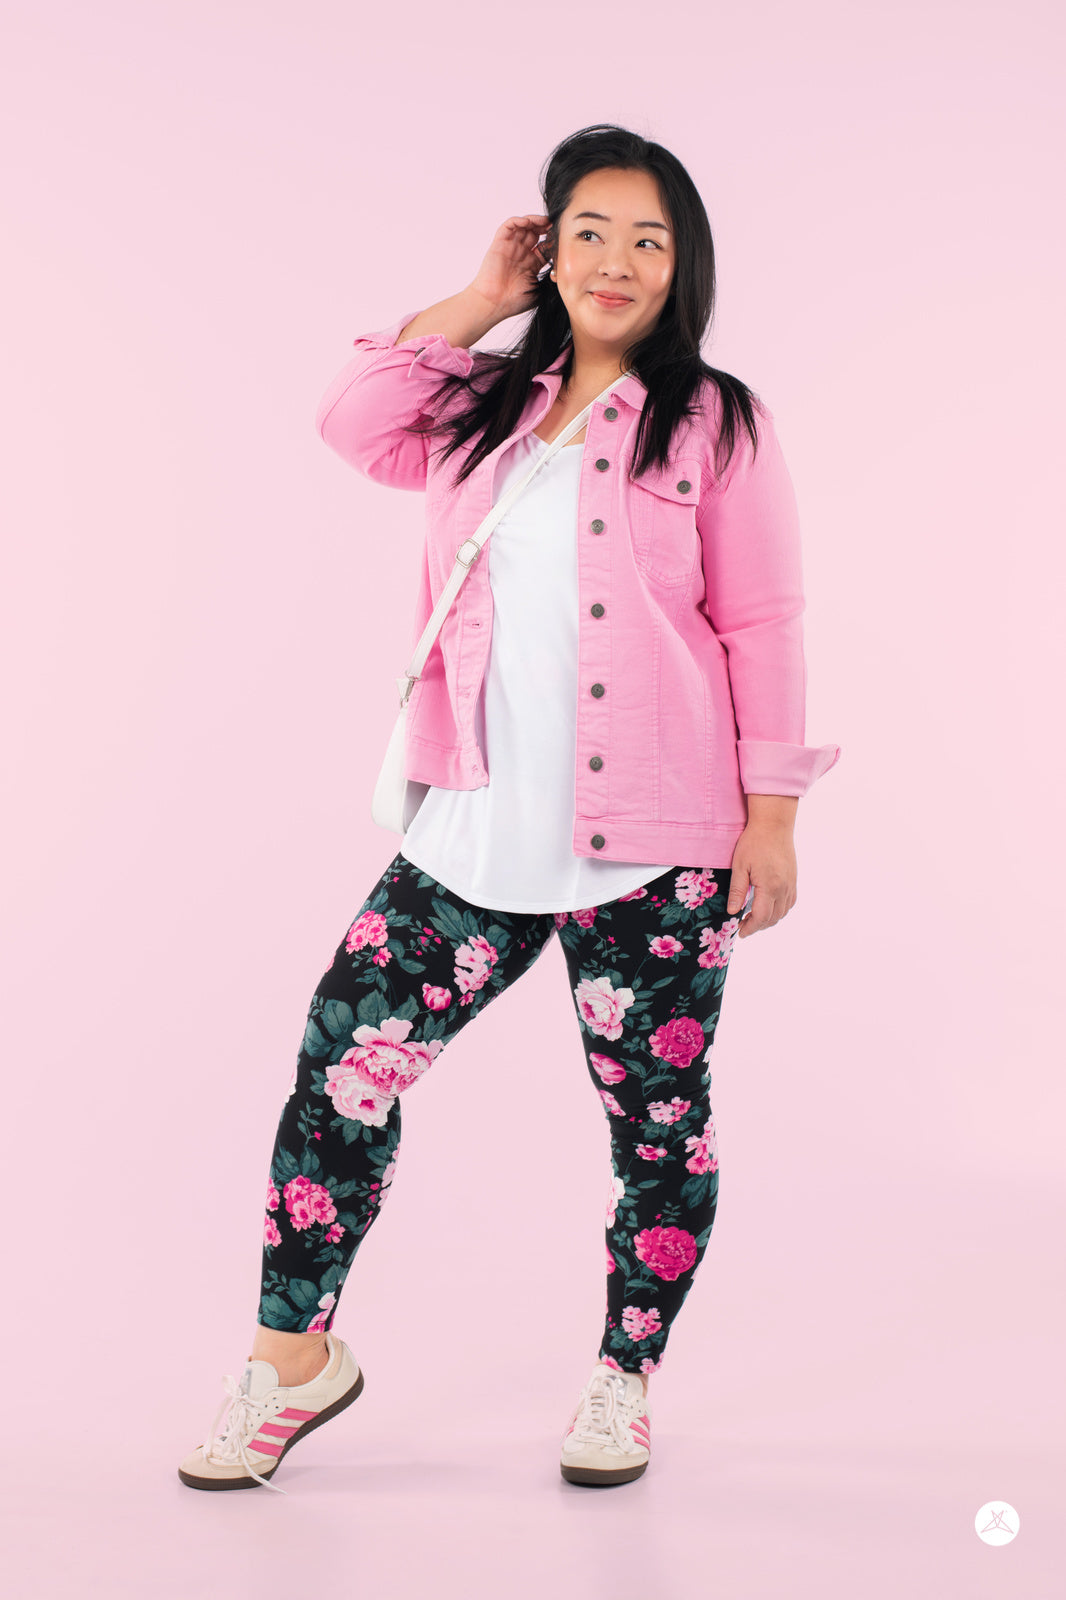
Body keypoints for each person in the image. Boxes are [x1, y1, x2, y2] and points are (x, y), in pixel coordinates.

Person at [177, 123, 841, 1496]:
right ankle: (291, 1364)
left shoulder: (717, 422)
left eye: (648, 239)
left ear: (682, 265)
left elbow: (763, 619)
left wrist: (770, 815)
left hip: (657, 842)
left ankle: (622, 1381)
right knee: (341, 1071)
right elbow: (350, 420)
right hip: (473, 827)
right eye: (589, 232)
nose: (616, 261)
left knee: (656, 1126)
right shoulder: (478, 404)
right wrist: (479, 300)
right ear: (552, 247)